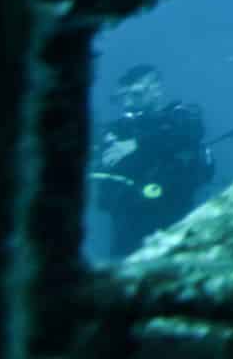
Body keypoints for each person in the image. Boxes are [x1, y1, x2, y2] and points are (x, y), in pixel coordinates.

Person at [90, 64, 215, 259]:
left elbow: (191, 130)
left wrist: (138, 143)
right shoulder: (116, 130)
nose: (128, 103)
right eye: (121, 97)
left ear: (156, 90)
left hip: (174, 218)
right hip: (127, 225)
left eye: (136, 94)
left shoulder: (179, 115)